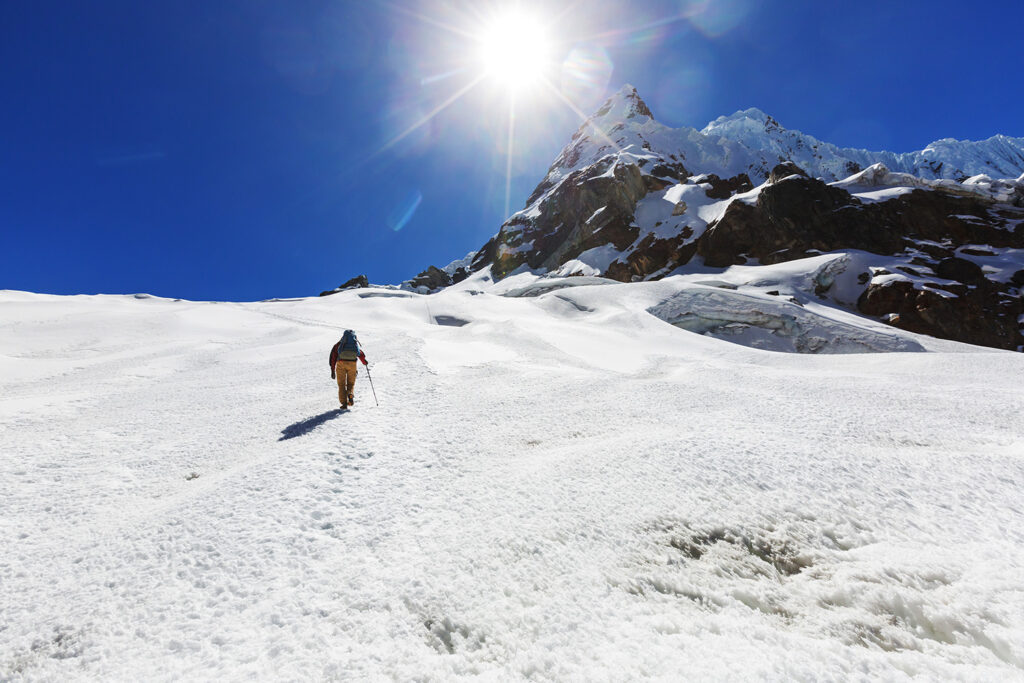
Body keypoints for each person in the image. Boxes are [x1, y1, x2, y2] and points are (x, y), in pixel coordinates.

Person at [329, 330, 367, 409]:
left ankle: (344, 404)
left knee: (341, 384)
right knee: (351, 383)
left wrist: (332, 370)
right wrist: (364, 362)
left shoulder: (339, 345)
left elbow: (333, 357)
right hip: (352, 364)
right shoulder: (354, 344)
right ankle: (350, 394)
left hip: (341, 364)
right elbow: (360, 353)